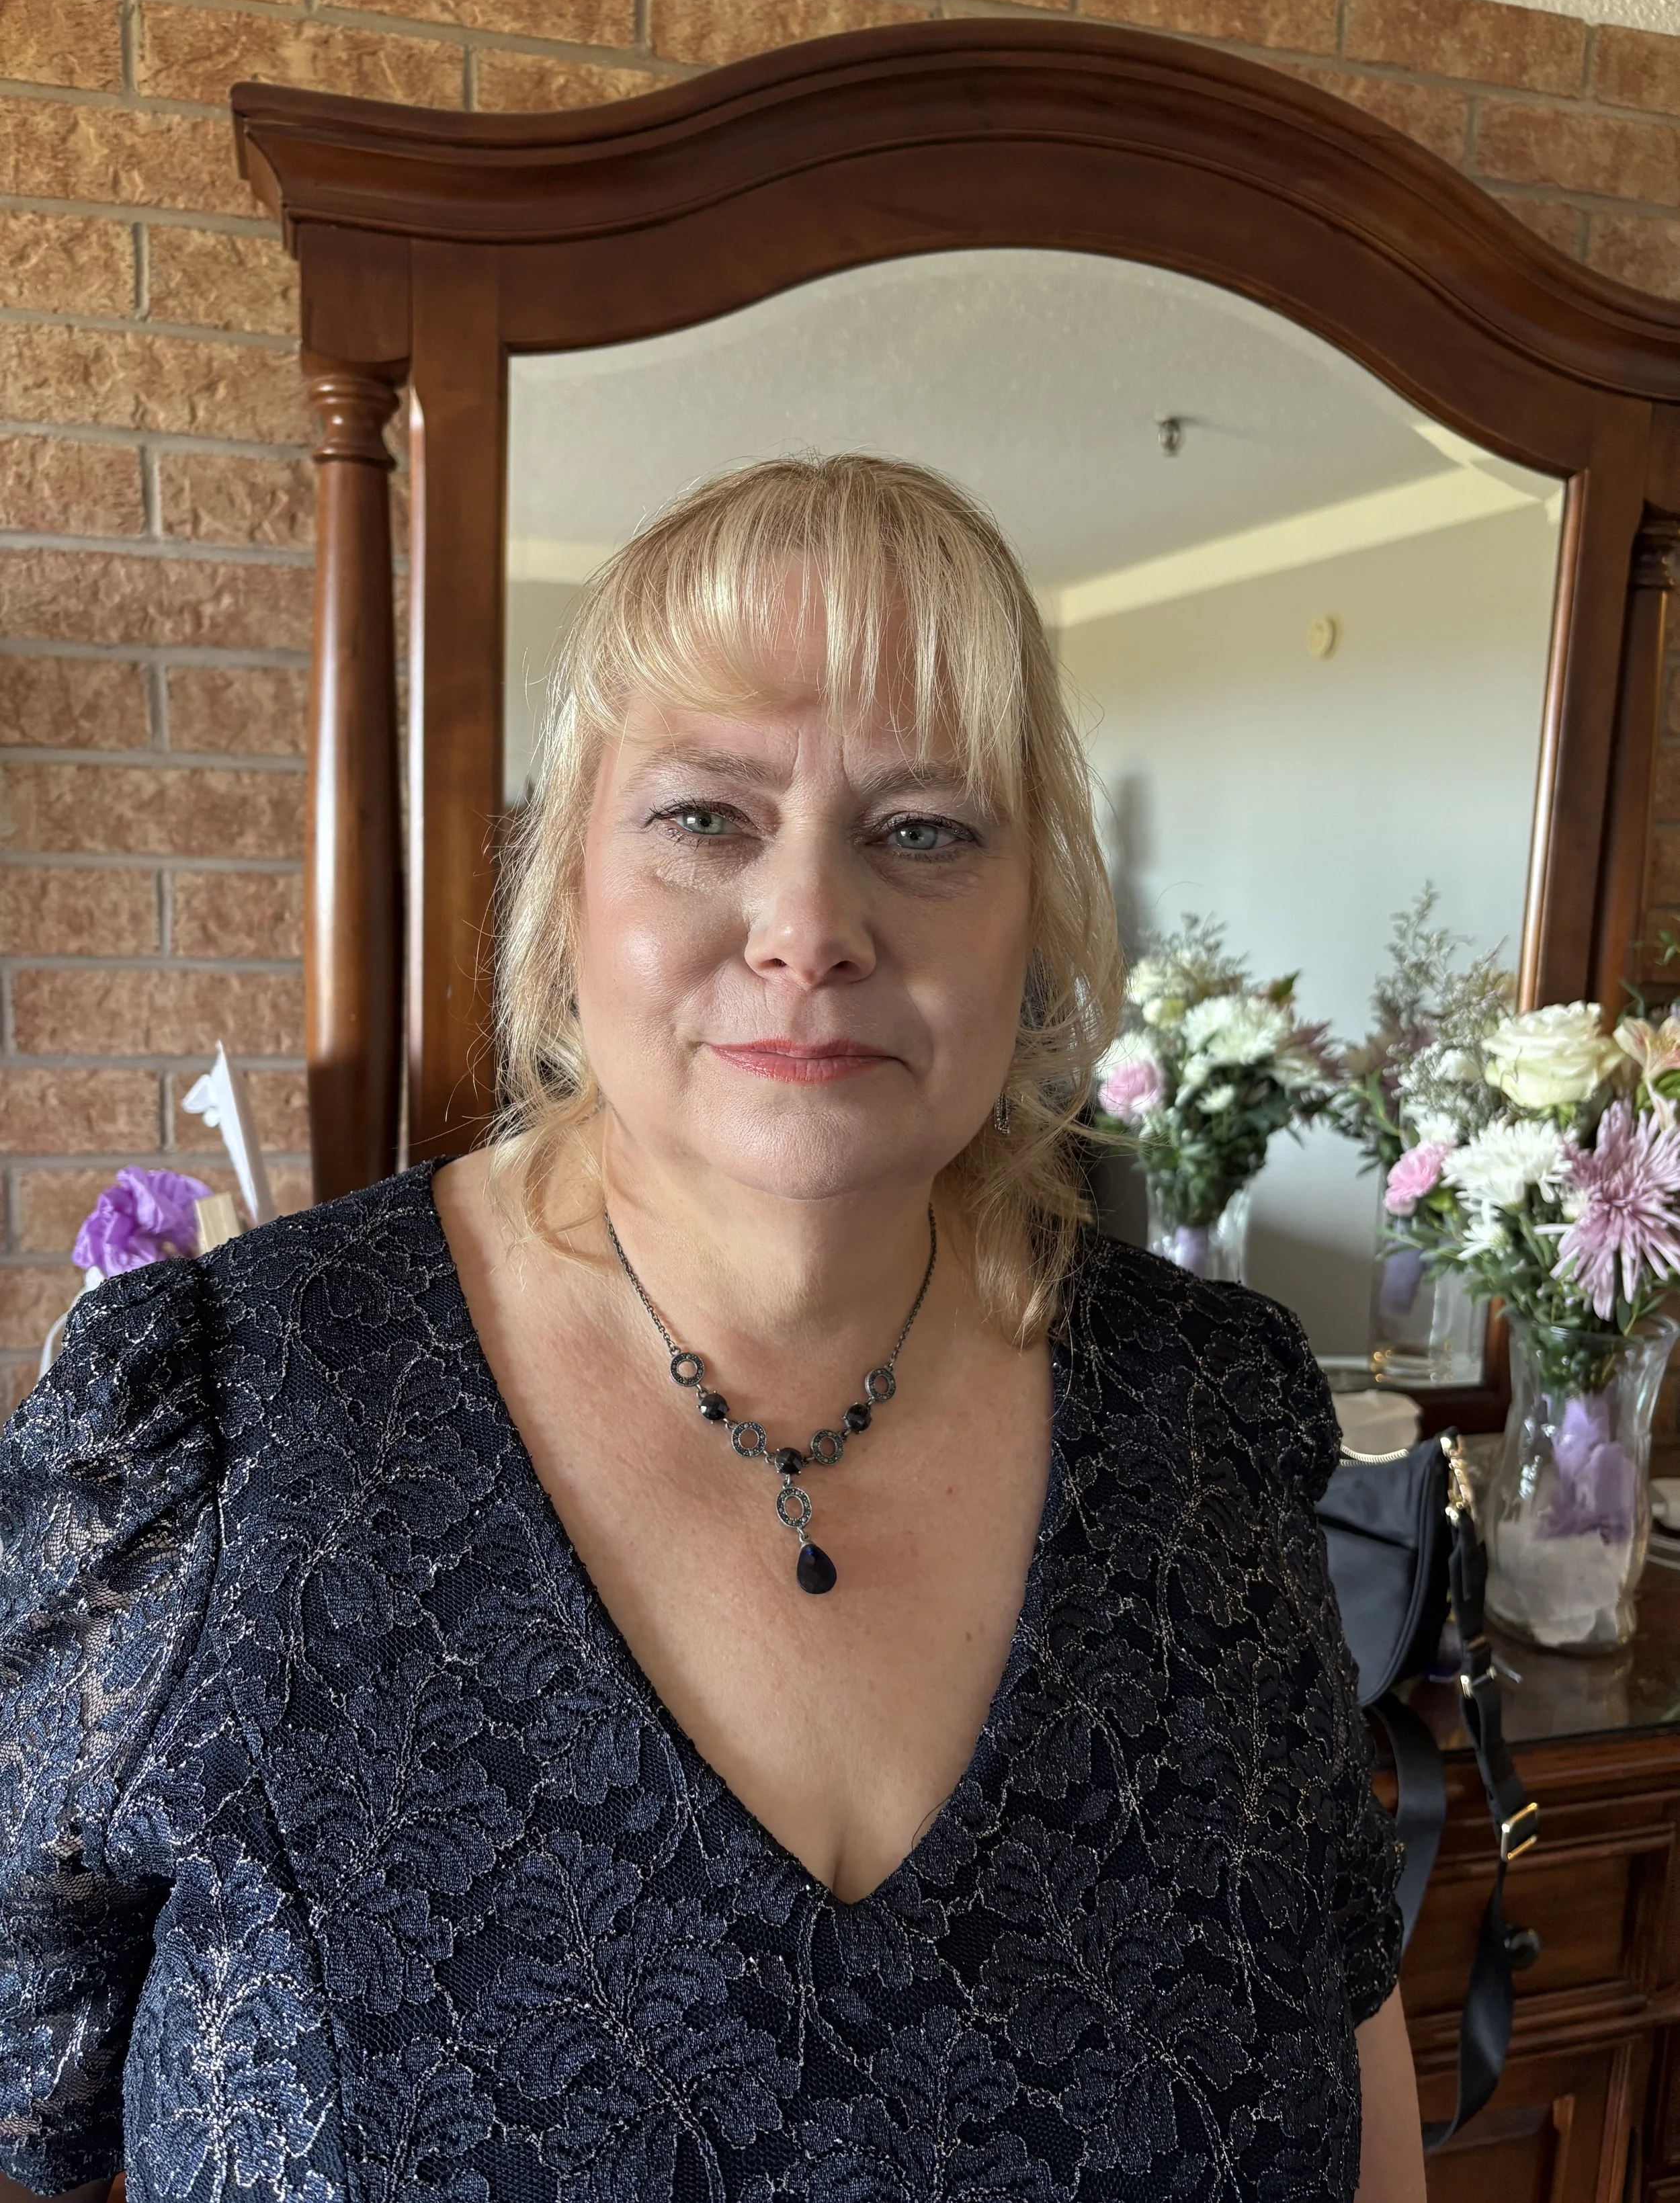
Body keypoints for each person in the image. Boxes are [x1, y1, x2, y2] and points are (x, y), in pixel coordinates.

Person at [0, 454, 1423, 2203]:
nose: (813, 926)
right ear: (566, 887)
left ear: (1029, 917)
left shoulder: (1207, 1419)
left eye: (923, 827)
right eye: (705, 816)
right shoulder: (217, 1433)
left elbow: (1355, 2080)